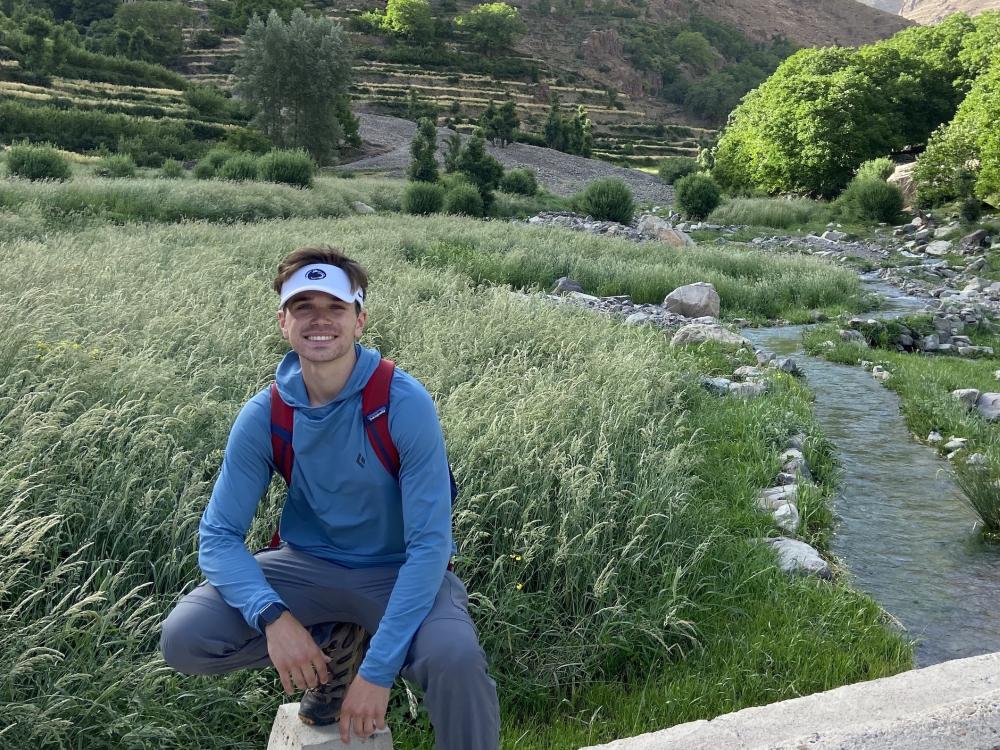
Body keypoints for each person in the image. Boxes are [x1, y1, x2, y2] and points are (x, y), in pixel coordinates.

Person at [160, 245, 500, 749]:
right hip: (306, 565)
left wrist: (378, 673)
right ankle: (334, 641)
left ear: (360, 319)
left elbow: (431, 546)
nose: (320, 321)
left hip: (398, 569)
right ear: (284, 322)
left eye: (335, 308)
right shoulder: (266, 414)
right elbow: (218, 537)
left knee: (456, 660)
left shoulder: (402, 403)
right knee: (185, 638)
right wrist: (273, 618)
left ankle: (364, 654)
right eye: (304, 308)